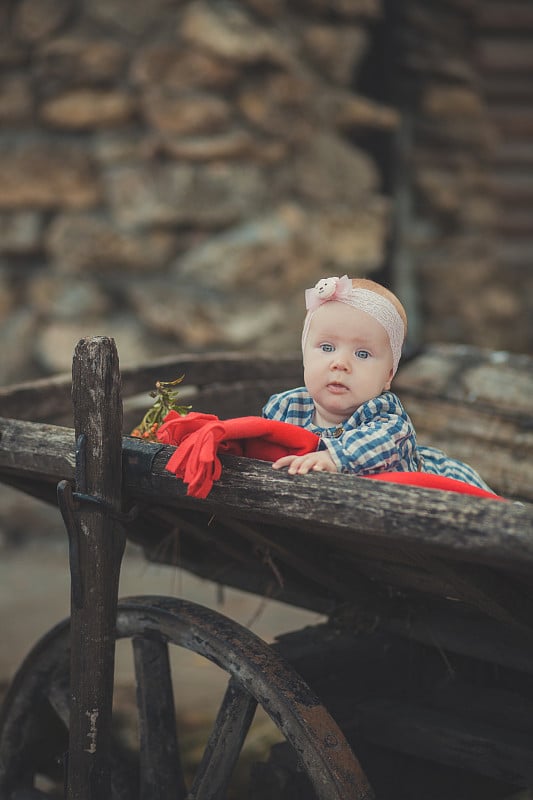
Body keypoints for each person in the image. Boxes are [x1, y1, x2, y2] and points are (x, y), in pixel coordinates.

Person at [262, 274, 492, 491]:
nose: (340, 363)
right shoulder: (285, 407)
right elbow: (260, 445)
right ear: (305, 356)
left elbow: (380, 445)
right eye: (327, 348)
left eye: (362, 354)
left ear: (388, 376)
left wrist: (332, 457)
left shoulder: (387, 418)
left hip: (437, 484)